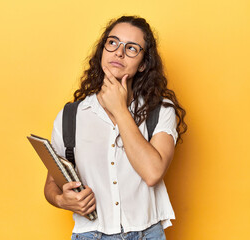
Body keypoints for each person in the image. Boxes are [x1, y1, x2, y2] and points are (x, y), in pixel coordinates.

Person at [44, 15, 187, 240]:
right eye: (113, 43)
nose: (119, 52)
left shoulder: (160, 110)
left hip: (146, 234)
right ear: (103, 50)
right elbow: (52, 183)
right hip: (89, 235)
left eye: (131, 48)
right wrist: (62, 200)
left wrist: (120, 110)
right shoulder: (70, 116)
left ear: (143, 64)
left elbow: (152, 173)